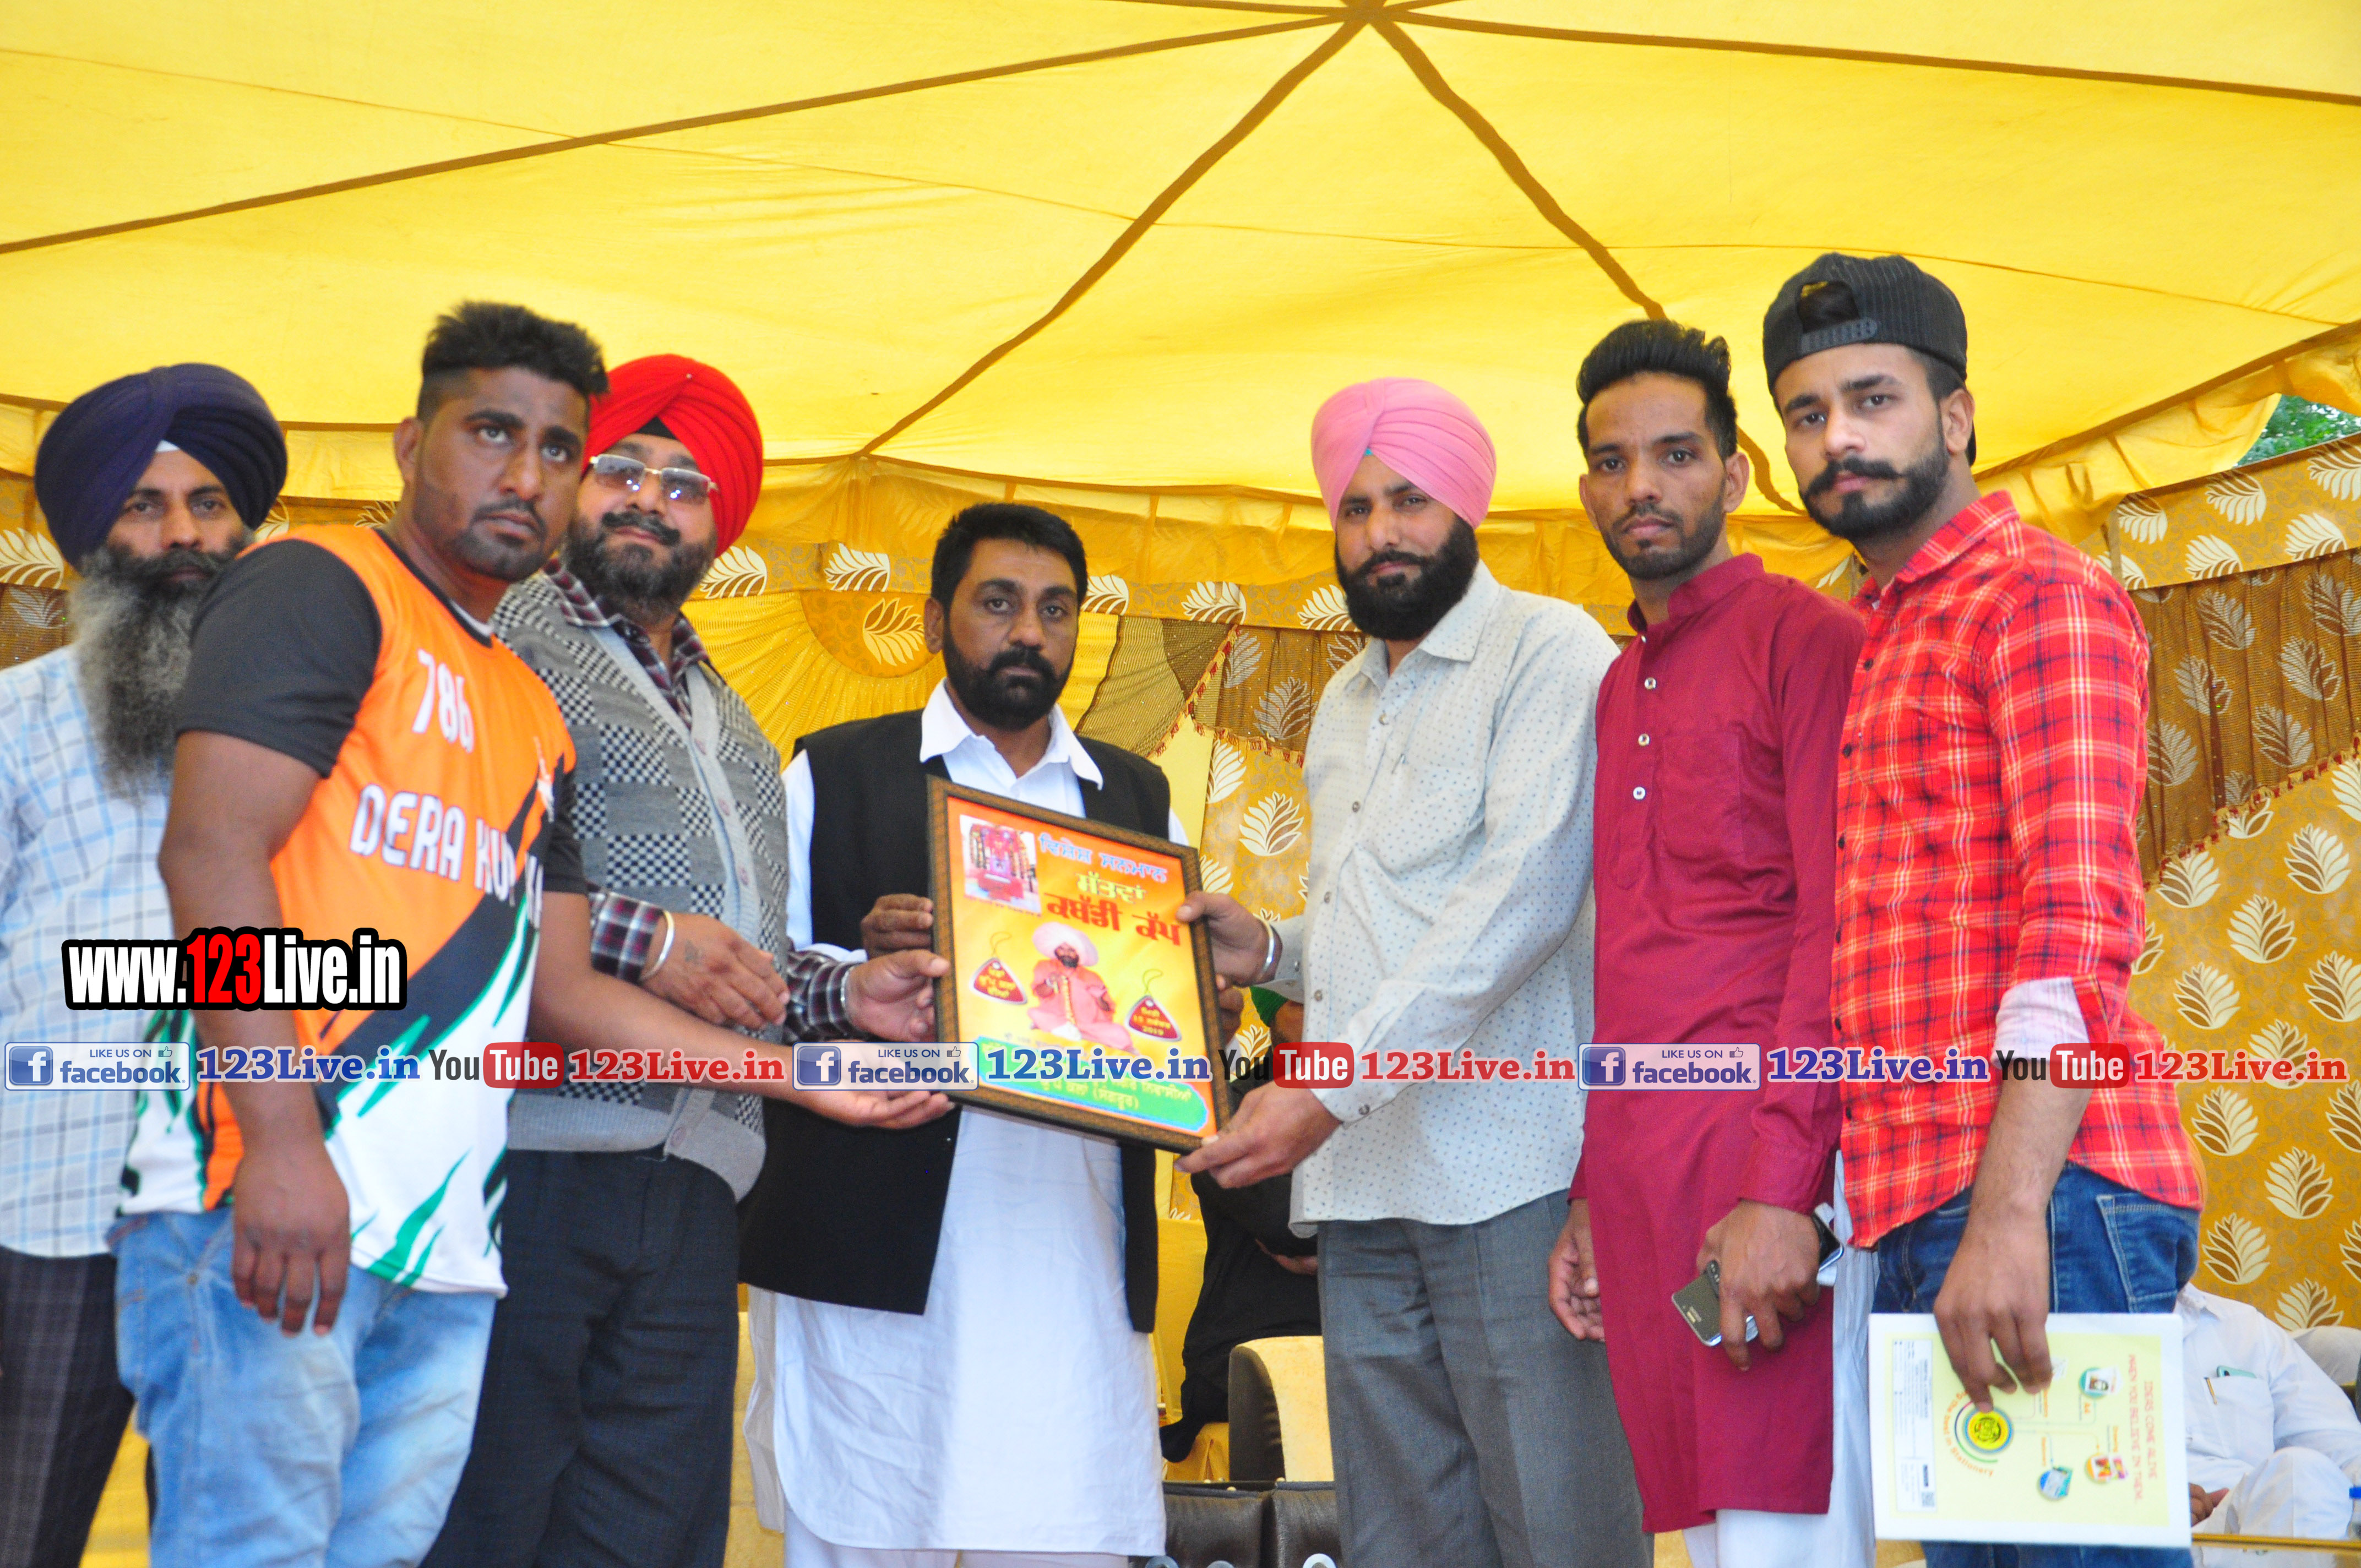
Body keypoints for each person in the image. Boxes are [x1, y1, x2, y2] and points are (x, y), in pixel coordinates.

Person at [113, 304, 946, 1568]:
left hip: (452, 1219)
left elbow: (556, 962)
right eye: (499, 435)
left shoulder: (537, 704)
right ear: (411, 443)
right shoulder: (322, 584)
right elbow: (210, 854)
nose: (534, 475)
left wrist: (816, 1041)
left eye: (558, 447)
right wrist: (276, 1138)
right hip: (306, 1180)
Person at [429, 354, 944, 1568]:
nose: (648, 502)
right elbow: (459, 878)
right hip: (529, 1161)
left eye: (685, 485)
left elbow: (746, 961)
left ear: (721, 523)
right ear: (569, 481)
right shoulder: (498, 646)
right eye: (622, 469)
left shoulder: (737, 722)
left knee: (650, 1532)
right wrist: (646, 939)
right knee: (485, 1517)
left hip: (703, 1183)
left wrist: (843, 992)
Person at [1764, 254, 2206, 1568]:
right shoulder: (1866, 632)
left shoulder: (2034, 594)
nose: (1836, 437)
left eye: (1872, 398)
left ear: (1953, 416)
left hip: (2041, 1196)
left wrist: (2009, 1214)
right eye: (1804, 413)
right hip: (1910, 1202)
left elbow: (2074, 929)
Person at [1180, 379, 1645, 1568]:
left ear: (1466, 508)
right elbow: (1379, 916)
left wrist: (1325, 1088)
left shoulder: (1547, 649)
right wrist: (1269, 949)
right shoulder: (1344, 699)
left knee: (1559, 1528)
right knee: (1400, 1541)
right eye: (1355, 507)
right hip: (1360, 1188)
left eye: (1409, 501)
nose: (1380, 531)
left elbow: (1519, 902)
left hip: (1506, 1175)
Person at [737, 502, 1192, 1568]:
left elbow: (1168, 1011)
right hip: (871, 1255)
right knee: (861, 1530)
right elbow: (750, 984)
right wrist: (852, 967)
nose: (1029, 631)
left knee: (1064, 1533)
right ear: (937, 619)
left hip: (1070, 1256)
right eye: (998, 602)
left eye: (1055, 609)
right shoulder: (831, 773)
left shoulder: (1134, 797)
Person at [1545, 319, 1873, 1568]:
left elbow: (1835, 928)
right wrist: (1591, 1192)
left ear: (1736, 473)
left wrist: (1782, 1190)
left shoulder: (1808, 640)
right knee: (1710, 1531)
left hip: (1764, 1167)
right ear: (1586, 486)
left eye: (1675, 454)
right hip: (1645, 1179)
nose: (1641, 485)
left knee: (1786, 1527)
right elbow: (1621, 955)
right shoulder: (1616, 683)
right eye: (1612, 460)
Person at [0, 366, 284, 1568]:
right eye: (144, 504)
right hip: (51, 1202)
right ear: (91, 536)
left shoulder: (312, 722)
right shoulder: (16, 718)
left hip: (250, 1202)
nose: (182, 535)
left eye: (209, 503)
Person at [1160, 996, 1320, 1469]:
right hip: (1255, 1354)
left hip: (1370, 1340)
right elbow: (1288, 1224)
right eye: (1305, 993)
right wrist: (1382, 1235)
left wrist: (1340, 1250)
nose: (1325, 1004)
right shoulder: (1226, 1105)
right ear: (1274, 1014)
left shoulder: (1385, 1098)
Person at [2180, 1284, 2361, 1565]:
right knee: (2300, 1473)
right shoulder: (2101, 1333)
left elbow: (2346, 1451)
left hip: (2265, 1524)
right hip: (2149, 1543)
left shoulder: (2245, 1328)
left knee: (2304, 1477)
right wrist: (2142, 1506)